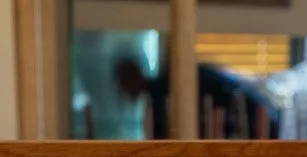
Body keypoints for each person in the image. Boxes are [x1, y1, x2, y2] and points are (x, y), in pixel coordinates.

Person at [113, 54, 278, 140]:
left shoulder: (166, 93)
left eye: (122, 83)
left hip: (259, 125)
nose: (122, 91)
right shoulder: (163, 90)